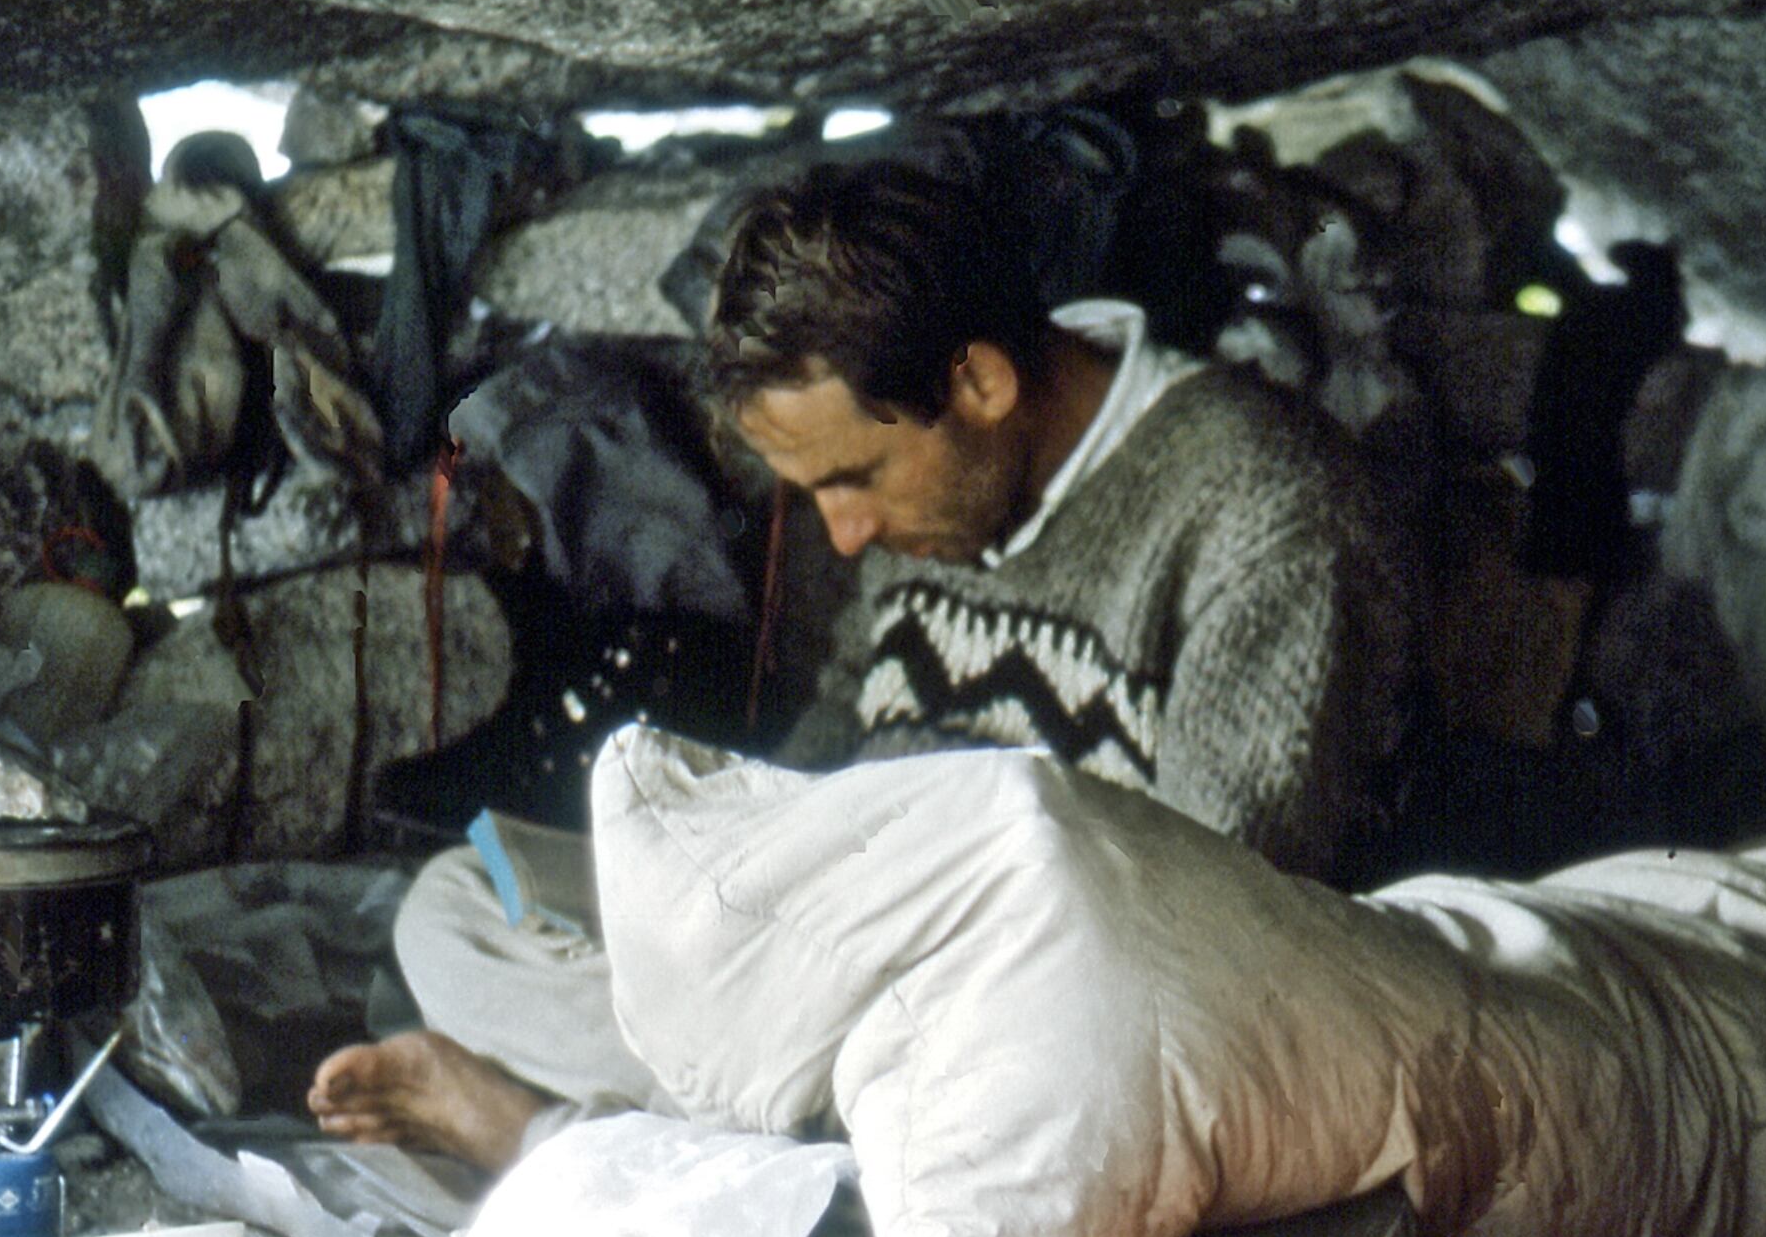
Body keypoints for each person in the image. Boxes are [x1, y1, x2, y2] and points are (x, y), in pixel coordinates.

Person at [312, 157, 1416, 1164]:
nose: (845, 537)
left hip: (1031, 1001)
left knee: (1020, 1095)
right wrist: (717, 876)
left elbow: (1210, 929)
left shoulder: (1266, 513)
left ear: (980, 384)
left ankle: (565, 1142)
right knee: (454, 909)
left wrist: (851, 984)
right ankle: (719, 1140)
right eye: (815, 495)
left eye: (855, 481)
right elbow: (844, 727)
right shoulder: (938, 469)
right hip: (834, 963)